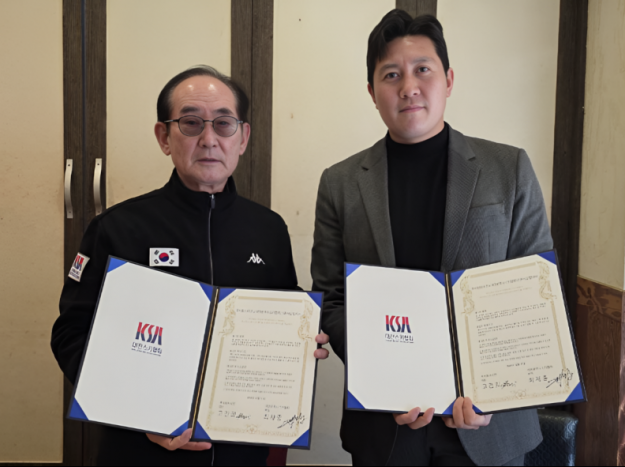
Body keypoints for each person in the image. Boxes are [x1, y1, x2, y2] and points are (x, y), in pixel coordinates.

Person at [51, 65, 330, 466]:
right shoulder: (117, 228)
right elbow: (71, 334)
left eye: (224, 124)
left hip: (241, 451)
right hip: (140, 451)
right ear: (164, 137)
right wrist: (137, 415)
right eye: (191, 123)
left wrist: (302, 342)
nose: (209, 139)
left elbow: (284, 312)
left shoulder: (268, 229)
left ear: (243, 138)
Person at [311, 10, 551, 467]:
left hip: (489, 426)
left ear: (448, 79)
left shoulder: (509, 168)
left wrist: (494, 390)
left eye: (423, 69)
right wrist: (386, 379)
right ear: (372, 92)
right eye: (391, 75)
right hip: (385, 427)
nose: (409, 87)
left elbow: (536, 294)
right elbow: (332, 299)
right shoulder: (340, 183)